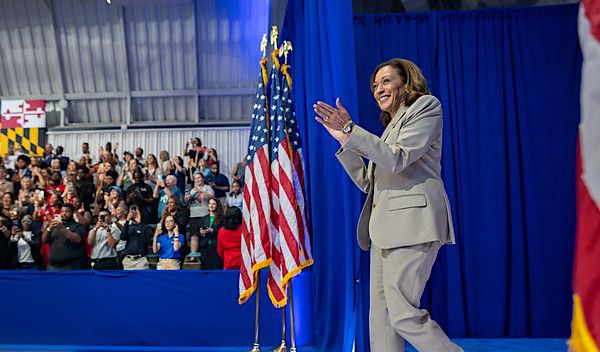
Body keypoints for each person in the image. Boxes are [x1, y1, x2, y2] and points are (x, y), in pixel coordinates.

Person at [314, 58, 462, 352]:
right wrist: (345, 139)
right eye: (374, 85)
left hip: (413, 224)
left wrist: (351, 129)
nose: (378, 89)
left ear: (406, 84)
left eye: (385, 81)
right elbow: (370, 183)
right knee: (380, 321)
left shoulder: (426, 107)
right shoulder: (391, 126)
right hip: (383, 229)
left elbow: (397, 158)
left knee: (402, 313)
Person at [42, 203, 88, 270]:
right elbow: (44, 240)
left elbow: (76, 239)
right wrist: (49, 228)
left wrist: (62, 228)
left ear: (72, 213)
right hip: (53, 266)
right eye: (62, 211)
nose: (64, 214)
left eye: (67, 212)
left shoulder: (78, 226)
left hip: (72, 267)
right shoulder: (54, 226)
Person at [120, 206, 151, 270]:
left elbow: (146, 240)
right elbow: (122, 237)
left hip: (141, 261)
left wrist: (139, 223)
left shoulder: (146, 227)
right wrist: (127, 221)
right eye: (131, 212)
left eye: (136, 212)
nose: (133, 214)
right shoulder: (128, 226)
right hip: (128, 261)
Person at [197, 198, 223, 270]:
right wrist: (201, 232)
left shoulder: (221, 218)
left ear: (217, 206)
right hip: (205, 247)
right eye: (210, 203)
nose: (211, 205)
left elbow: (223, 232)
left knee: (216, 268)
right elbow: (198, 233)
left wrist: (212, 230)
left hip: (216, 247)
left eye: (213, 204)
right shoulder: (204, 218)